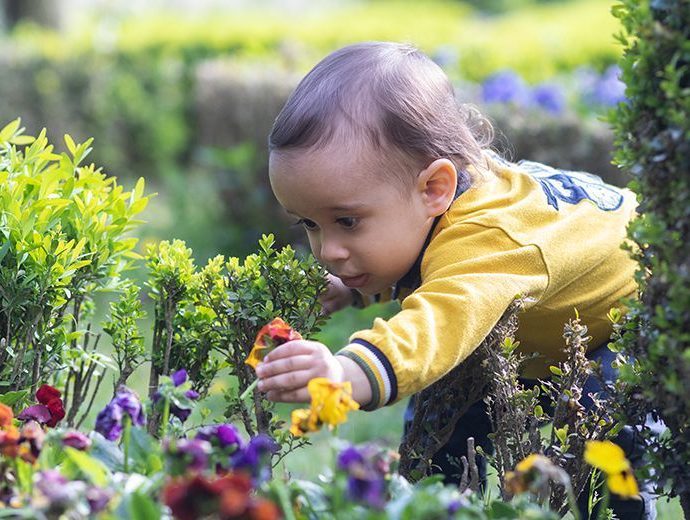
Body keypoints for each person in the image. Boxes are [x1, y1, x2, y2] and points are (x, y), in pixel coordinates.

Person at [255, 42, 655, 518]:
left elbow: (438, 319)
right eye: (310, 224)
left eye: (346, 221)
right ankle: (429, 506)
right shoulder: (441, 208)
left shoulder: (491, 239)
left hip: (630, 321)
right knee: (441, 419)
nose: (328, 250)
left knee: (605, 438)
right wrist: (355, 289)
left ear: (434, 188)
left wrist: (343, 375)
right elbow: (434, 266)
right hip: (548, 325)